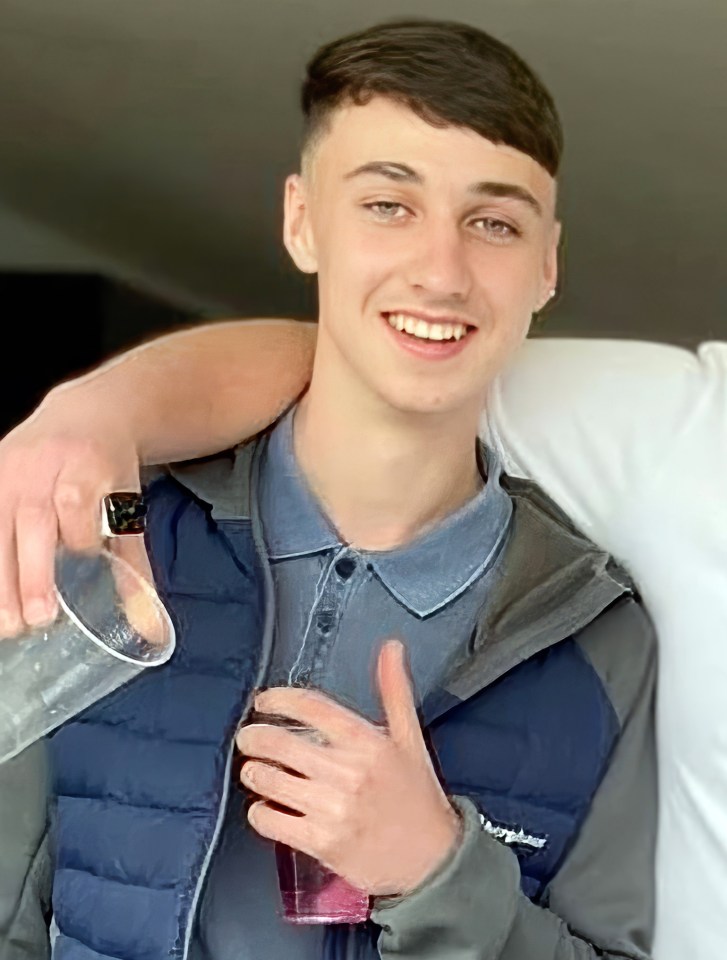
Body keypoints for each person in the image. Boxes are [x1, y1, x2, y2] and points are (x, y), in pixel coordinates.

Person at [0, 18, 657, 960]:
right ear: (301, 221)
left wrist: (439, 872)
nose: (440, 272)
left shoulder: (598, 642)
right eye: (389, 206)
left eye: (493, 222)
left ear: (545, 264)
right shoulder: (116, 536)